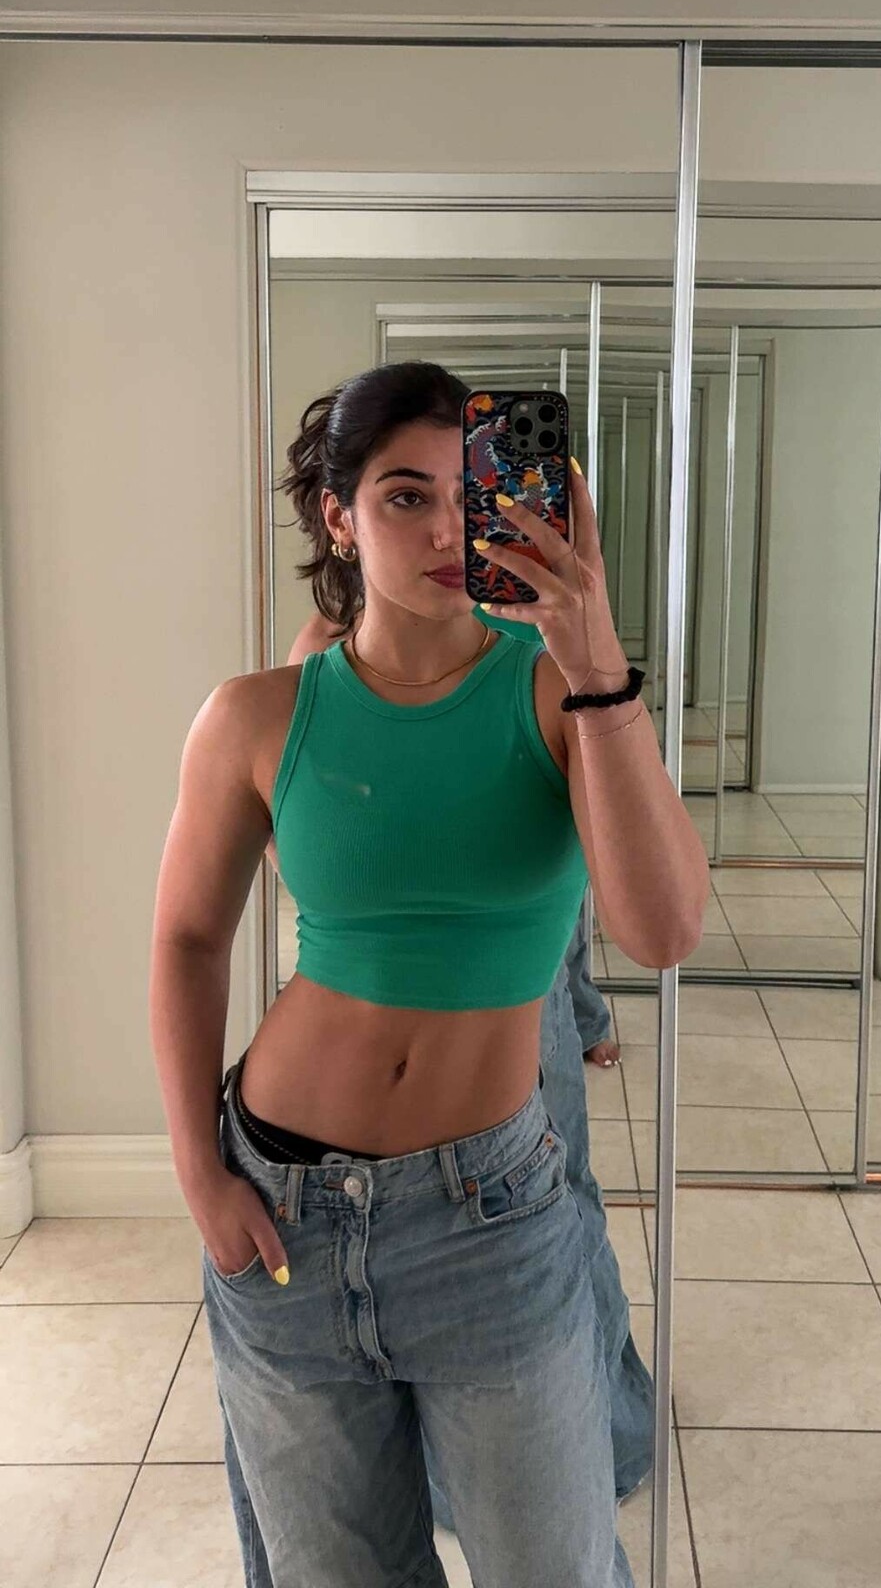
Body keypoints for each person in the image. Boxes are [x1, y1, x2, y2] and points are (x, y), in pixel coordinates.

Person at [149, 361, 711, 1587]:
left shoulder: (560, 694)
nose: (450, 529)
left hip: (489, 1217)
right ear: (340, 517)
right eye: (406, 496)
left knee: (553, 1566)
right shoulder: (256, 714)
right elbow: (189, 938)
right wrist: (197, 1168)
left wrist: (595, 654)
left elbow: (663, 929)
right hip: (281, 1211)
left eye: (475, 495)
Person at [276, 603, 654, 1536]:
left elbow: (616, 886)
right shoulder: (333, 642)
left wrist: (584, 632)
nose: (450, 534)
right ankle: (469, 1455)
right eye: (403, 515)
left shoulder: (550, 633)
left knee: (563, 1198)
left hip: (517, 982)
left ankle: (606, 1431)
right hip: (374, 1028)